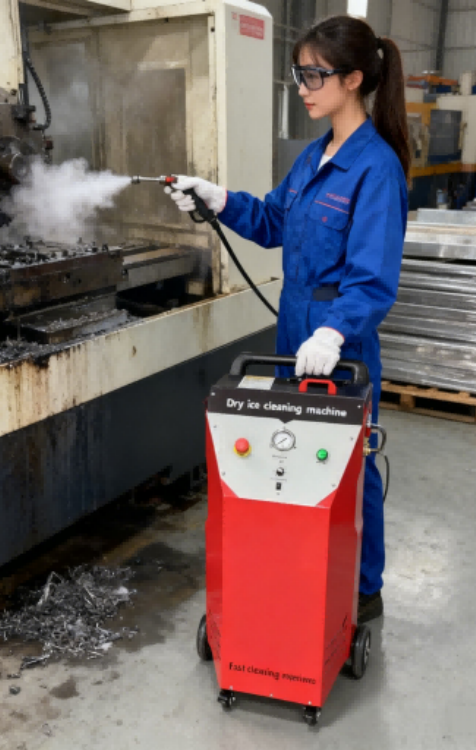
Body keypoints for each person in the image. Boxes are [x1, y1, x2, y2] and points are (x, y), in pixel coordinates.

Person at [166, 15, 409, 623]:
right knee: (293, 453)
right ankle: (306, 567)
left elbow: (373, 277)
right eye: (298, 74)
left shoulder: (376, 169)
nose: (302, 87)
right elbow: (274, 220)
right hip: (294, 331)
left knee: (350, 464)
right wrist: (218, 198)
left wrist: (334, 331)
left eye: (314, 75)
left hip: (338, 341)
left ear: (353, 79)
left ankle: (363, 586)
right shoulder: (313, 157)